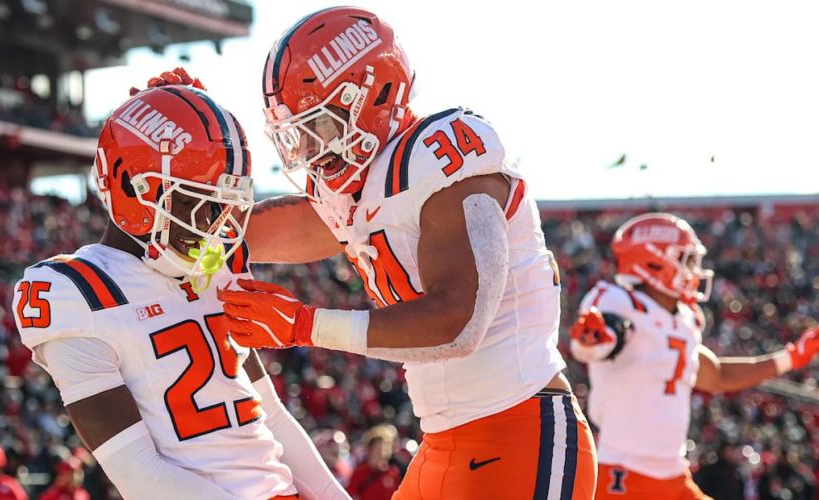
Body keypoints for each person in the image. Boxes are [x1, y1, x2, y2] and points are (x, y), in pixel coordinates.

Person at [216, 7, 596, 499]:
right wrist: (183, 143)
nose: (310, 149)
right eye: (299, 133)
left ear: (374, 95)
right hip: (441, 444)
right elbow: (240, 233)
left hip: (520, 429)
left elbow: (458, 322)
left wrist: (304, 324)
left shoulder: (441, 156)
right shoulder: (357, 191)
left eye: (321, 125)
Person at [12, 70, 347, 500]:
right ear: (131, 187)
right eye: (195, 203)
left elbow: (272, 416)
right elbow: (141, 475)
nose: (213, 224)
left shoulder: (217, 266)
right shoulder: (74, 292)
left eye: (221, 206)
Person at [568, 212, 819, 499]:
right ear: (654, 261)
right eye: (686, 260)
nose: (694, 270)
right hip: (622, 474)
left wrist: (791, 357)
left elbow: (717, 375)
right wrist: (594, 337)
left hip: (673, 475)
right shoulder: (619, 301)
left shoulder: (682, 319)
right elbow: (592, 343)